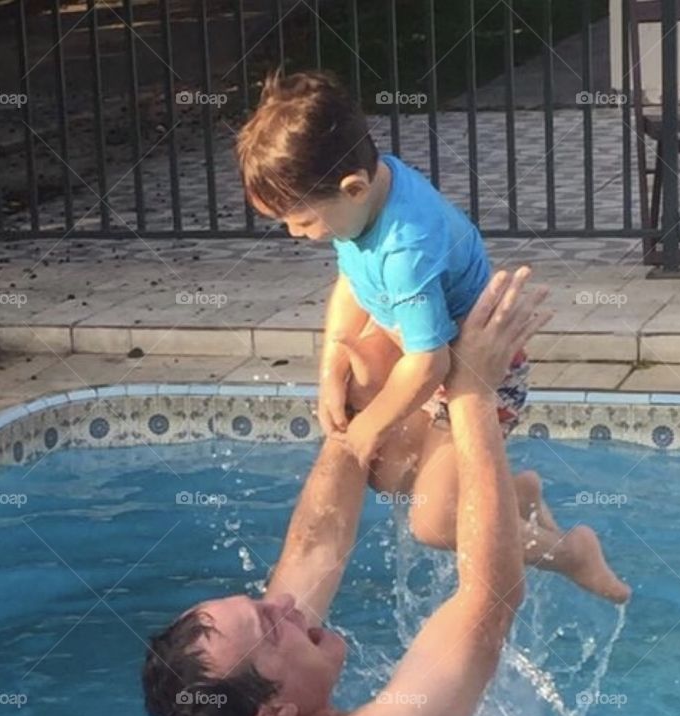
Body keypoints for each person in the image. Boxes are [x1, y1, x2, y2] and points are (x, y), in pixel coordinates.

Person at [142, 270, 556, 716]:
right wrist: (475, 397)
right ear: (272, 710)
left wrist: (353, 423)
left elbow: (315, 548)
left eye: (260, 602)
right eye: (270, 626)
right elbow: (489, 603)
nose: (285, 605)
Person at [235, 69, 630, 604]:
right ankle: (517, 496)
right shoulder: (366, 200)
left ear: (351, 187)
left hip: (476, 369)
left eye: (301, 220)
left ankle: (571, 554)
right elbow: (352, 282)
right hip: (425, 350)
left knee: (435, 523)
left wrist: (366, 429)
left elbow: (430, 365)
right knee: (391, 476)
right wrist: (331, 366)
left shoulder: (407, 245)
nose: (295, 233)